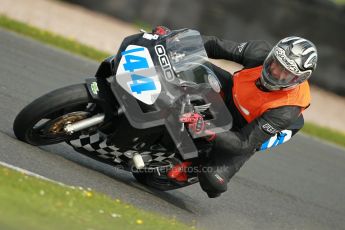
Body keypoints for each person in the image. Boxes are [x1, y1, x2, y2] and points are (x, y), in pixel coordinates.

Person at [195, 35, 318, 198]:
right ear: (272, 55)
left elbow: (243, 143)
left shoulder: (287, 109)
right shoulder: (259, 52)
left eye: (285, 72)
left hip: (246, 128)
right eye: (276, 63)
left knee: (212, 181)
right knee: (191, 65)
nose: (274, 71)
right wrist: (173, 40)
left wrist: (206, 129)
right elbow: (215, 45)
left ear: (297, 79)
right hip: (235, 93)